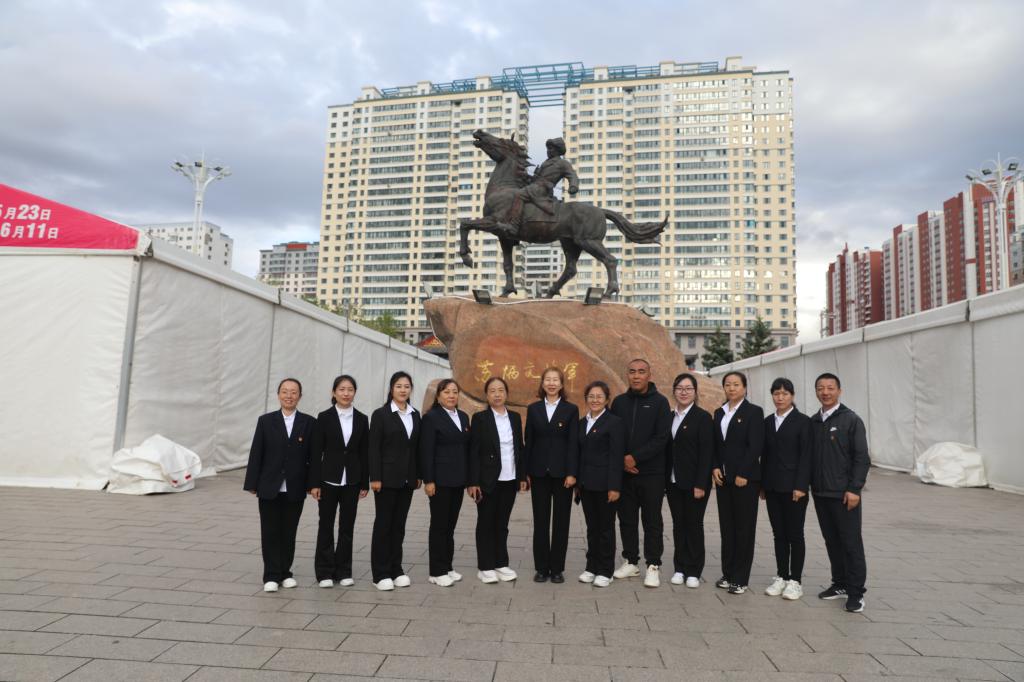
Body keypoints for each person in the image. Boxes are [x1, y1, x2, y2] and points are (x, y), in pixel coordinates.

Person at [243, 378, 317, 592]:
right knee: (270, 531)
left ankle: (285, 573)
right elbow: (257, 453)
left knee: (289, 531)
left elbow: (313, 457)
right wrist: (252, 482)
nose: (289, 396)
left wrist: (312, 484)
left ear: (300, 396)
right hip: (269, 486)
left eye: (294, 392)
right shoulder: (266, 421)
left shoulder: (309, 423)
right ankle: (271, 575)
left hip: (295, 486)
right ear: (278, 395)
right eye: (285, 391)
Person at [810, 372, 870, 613]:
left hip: (844, 494)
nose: (825, 392)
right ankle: (840, 583)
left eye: (830, 388)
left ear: (839, 391)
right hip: (820, 493)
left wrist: (854, 489)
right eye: (820, 388)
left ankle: (856, 593)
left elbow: (862, 457)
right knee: (832, 541)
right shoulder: (814, 421)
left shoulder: (851, 420)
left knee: (851, 543)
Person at [610, 359, 672, 588]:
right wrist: (623, 460)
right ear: (627, 374)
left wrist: (634, 457)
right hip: (624, 473)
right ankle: (631, 561)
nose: (636, 376)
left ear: (649, 375)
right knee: (626, 519)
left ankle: (653, 565)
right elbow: (612, 434)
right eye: (632, 372)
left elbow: (661, 438)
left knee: (652, 521)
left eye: (641, 372)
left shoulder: (660, 403)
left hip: (651, 473)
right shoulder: (619, 402)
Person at [309, 375, 369, 588]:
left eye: (350, 389)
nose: (346, 393)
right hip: (328, 479)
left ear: (355, 393)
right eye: (342, 389)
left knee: (347, 527)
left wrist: (364, 483)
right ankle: (324, 572)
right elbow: (316, 452)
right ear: (334, 392)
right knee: (325, 525)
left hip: (352, 480)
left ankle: (344, 570)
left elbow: (364, 452)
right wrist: (314, 483)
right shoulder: (324, 417)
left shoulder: (362, 419)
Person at [469, 377, 528, 584]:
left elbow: (519, 448)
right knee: (486, 522)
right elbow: (474, 452)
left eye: (501, 390)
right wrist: (473, 482)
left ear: (506, 393)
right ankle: (485, 566)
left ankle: (501, 563)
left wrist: (522, 476)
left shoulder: (514, 417)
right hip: (487, 480)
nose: (497, 394)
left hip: (510, 479)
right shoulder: (480, 418)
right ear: (487, 395)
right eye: (492, 391)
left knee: (502, 523)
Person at [524, 367, 579, 584]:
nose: (552, 383)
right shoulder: (534, 409)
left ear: (562, 384)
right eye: (548, 379)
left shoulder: (571, 409)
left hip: (562, 474)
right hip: (538, 473)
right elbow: (529, 442)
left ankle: (557, 569)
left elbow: (573, 444)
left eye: (556, 380)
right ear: (542, 383)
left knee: (561, 523)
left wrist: (572, 473)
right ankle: (541, 568)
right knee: (540, 522)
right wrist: (525, 473)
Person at [711, 371, 764, 595]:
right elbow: (715, 444)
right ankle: (728, 573)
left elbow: (755, 445)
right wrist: (714, 467)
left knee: (744, 529)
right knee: (727, 528)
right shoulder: (719, 412)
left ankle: (740, 578)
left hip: (745, 480)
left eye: (736, 384)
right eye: (727, 384)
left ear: (744, 388)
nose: (731, 388)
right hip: (723, 480)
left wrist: (744, 472)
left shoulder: (754, 412)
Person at [368, 371, 421, 591]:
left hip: (407, 480)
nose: (403, 390)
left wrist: (418, 475)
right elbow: (374, 448)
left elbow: (416, 448)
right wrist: (375, 477)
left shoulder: (415, 414)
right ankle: (380, 573)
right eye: (398, 386)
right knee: (384, 525)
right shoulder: (381, 414)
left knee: (399, 526)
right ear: (391, 389)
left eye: (406, 386)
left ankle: (396, 569)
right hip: (386, 479)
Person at [760, 377, 812, 600]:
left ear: (792, 396)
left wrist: (801, 486)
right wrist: (763, 485)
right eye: (776, 393)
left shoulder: (803, 421)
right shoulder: (767, 422)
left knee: (795, 534)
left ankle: (795, 581)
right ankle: (782, 575)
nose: (780, 397)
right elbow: (764, 456)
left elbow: (806, 456)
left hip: (794, 489)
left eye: (785, 393)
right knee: (778, 534)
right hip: (772, 487)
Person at [664, 373, 714, 588]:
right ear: (674, 391)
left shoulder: (703, 417)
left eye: (688, 388)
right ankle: (680, 567)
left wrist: (701, 484)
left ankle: (693, 570)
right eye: (680, 388)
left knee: (693, 524)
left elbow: (706, 454)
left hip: (695, 483)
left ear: (695, 392)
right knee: (678, 524)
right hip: (673, 481)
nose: (683, 392)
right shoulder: (669, 416)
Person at [419, 379, 471, 587]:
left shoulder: (463, 417)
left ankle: (448, 566)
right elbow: (426, 451)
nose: (451, 395)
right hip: (440, 481)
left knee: (450, 526)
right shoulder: (431, 418)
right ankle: (437, 571)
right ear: (438, 396)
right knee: (439, 526)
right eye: (447, 392)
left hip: (458, 480)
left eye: (454, 392)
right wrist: (429, 480)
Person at [576, 380, 625, 588]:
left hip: (606, 485)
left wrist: (615, 486)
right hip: (586, 485)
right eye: (591, 396)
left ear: (607, 400)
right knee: (592, 528)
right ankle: (591, 566)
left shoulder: (614, 422)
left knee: (605, 528)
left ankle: (606, 570)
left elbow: (616, 457)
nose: (595, 400)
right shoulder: (582, 423)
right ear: (586, 399)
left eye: (599, 396)